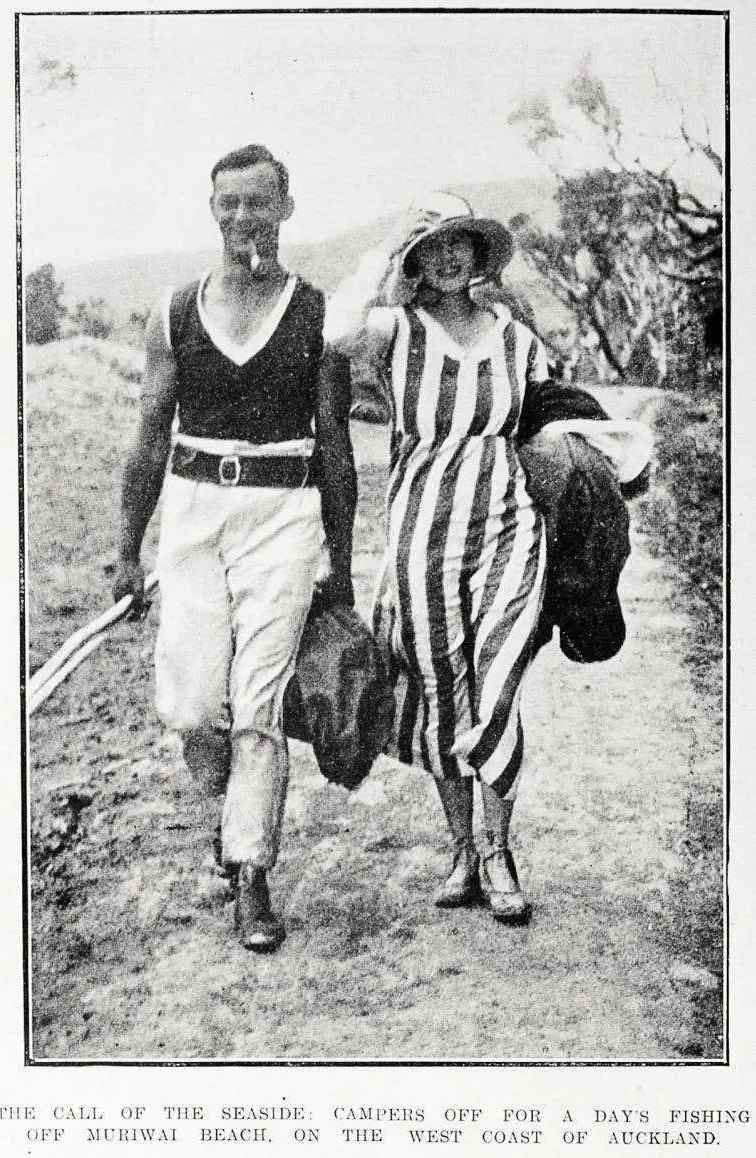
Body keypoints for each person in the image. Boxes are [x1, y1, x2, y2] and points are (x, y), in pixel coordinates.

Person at [325, 191, 651, 925]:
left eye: (458, 244)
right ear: (415, 258)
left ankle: (499, 848)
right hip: (421, 528)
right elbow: (335, 328)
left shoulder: (513, 335)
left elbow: (552, 416)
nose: (446, 256)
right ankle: (461, 850)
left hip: (505, 519)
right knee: (441, 689)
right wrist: (382, 250)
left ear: (477, 256)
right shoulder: (392, 329)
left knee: (496, 681)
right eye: (431, 245)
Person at [112, 144, 357, 952]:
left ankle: (250, 873)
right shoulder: (176, 310)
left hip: (283, 515)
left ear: (286, 208)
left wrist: (341, 563)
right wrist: (126, 549)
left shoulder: (319, 315)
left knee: (257, 704)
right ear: (211, 209)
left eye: (258, 203)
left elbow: (335, 448)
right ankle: (230, 822)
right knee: (189, 705)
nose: (243, 218)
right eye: (229, 204)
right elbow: (149, 439)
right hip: (191, 510)